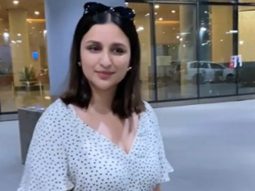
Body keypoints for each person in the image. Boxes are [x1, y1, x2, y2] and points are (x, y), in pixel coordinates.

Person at [17, 2, 173, 191]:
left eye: (118, 50)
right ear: (79, 56)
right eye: (94, 48)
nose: (106, 61)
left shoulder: (145, 114)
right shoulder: (57, 122)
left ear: (131, 59)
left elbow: (154, 186)